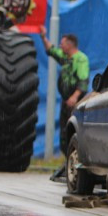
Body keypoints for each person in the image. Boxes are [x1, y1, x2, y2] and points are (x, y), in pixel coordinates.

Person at [41, 26, 90, 166]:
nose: (60, 46)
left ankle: (77, 159)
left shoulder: (80, 59)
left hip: (75, 101)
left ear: (70, 45)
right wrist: (43, 37)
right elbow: (52, 51)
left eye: (62, 43)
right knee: (64, 132)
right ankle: (67, 159)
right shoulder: (66, 58)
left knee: (74, 130)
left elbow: (83, 80)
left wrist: (75, 97)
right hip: (65, 101)